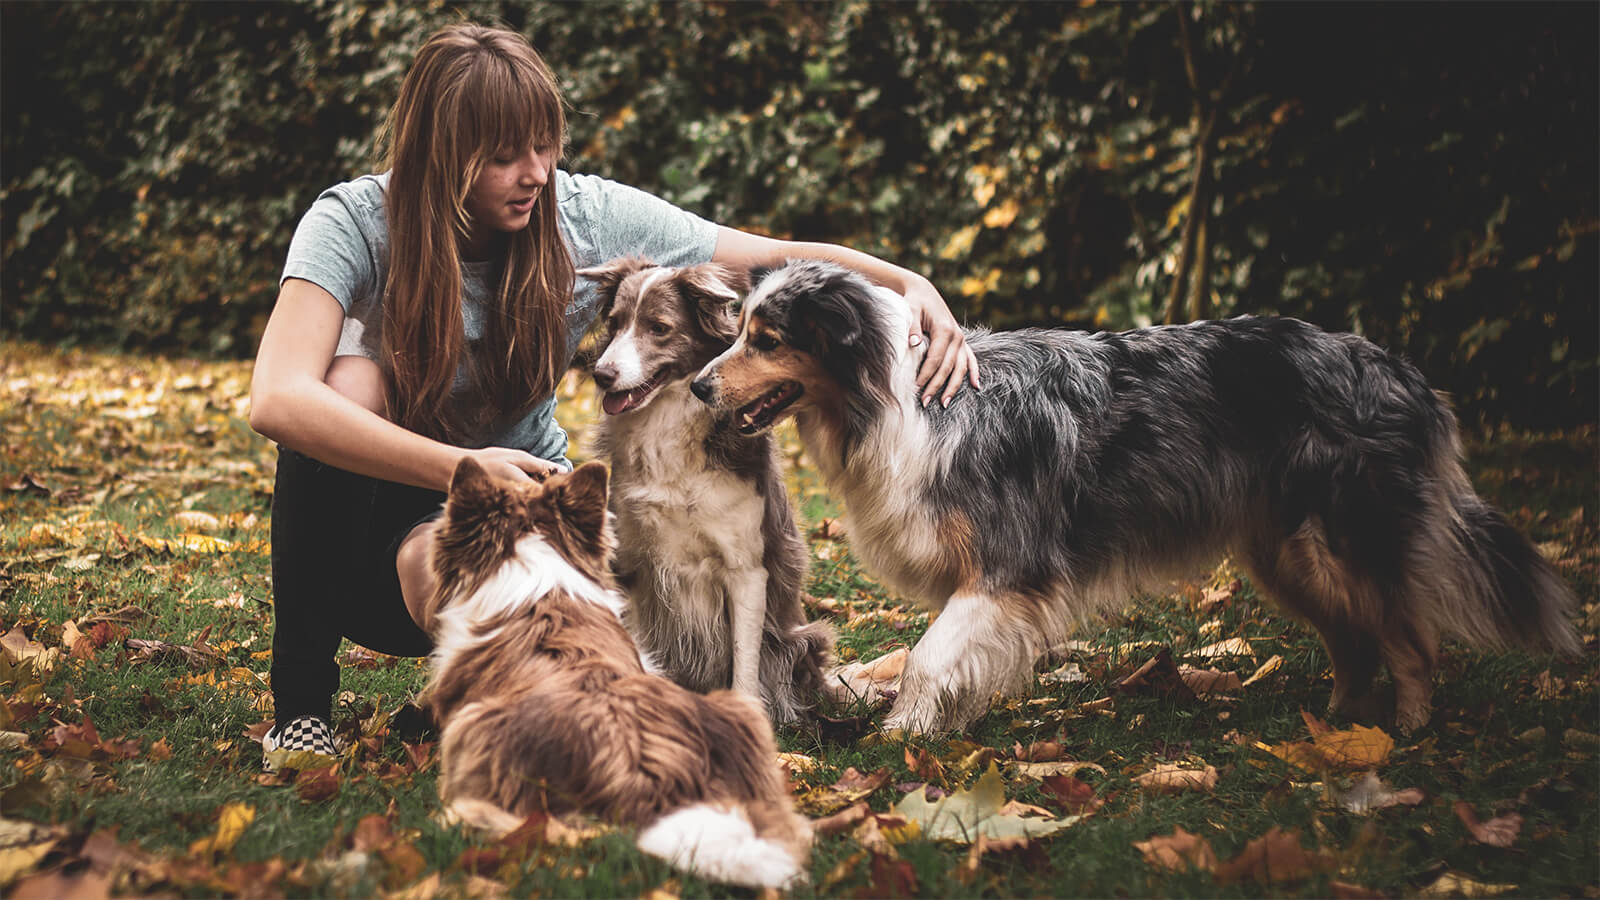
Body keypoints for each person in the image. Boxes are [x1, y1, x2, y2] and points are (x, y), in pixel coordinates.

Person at [248, 22, 978, 762]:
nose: (535, 172)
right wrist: (460, 471)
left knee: (502, 629)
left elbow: (767, 256)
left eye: (544, 145)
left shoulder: (581, 216)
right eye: (503, 156)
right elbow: (276, 398)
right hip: (358, 531)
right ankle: (302, 709)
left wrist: (910, 283)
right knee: (345, 379)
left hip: (513, 517)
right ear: (439, 154)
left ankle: (487, 687)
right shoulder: (353, 223)